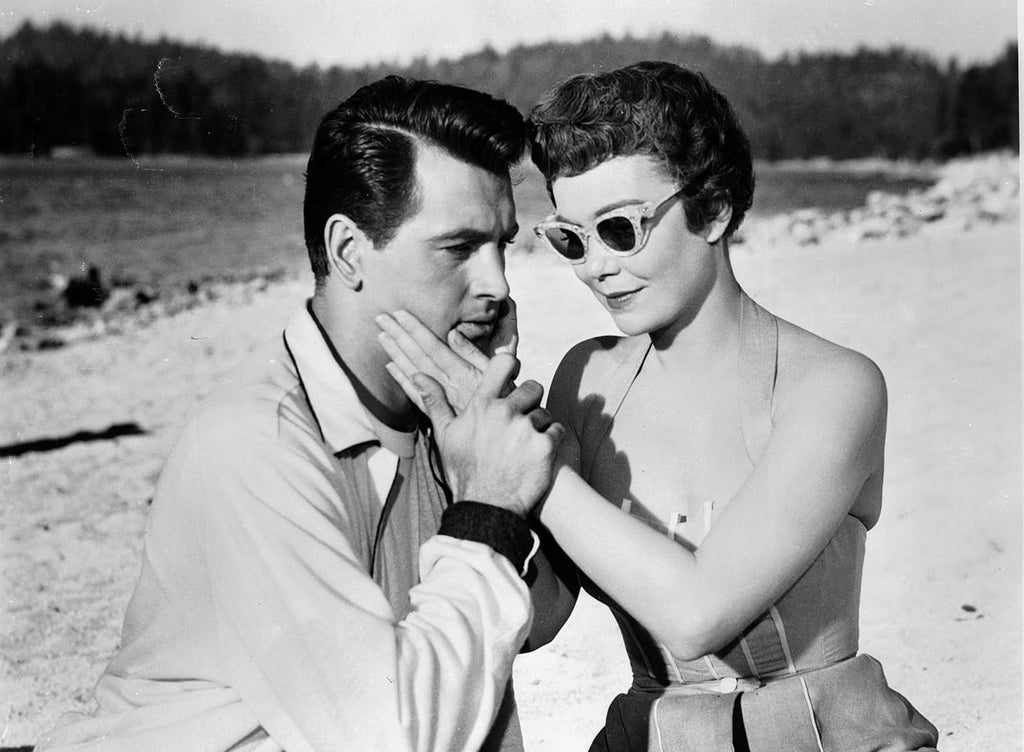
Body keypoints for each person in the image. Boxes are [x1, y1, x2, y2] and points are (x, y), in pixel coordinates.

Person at [377, 62, 940, 751]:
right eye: (572, 239)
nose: (595, 267)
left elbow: (697, 614)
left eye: (620, 229)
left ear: (715, 209)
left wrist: (534, 466)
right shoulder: (588, 378)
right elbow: (542, 618)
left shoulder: (833, 386)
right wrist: (474, 428)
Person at [37, 76, 572, 752]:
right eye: (459, 248)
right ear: (348, 251)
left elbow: (534, 618)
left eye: (502, 246)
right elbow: (390, 738)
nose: (497, 284)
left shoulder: (435, 409)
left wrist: (504, 448)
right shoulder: (256, 443)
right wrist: (489, 507)